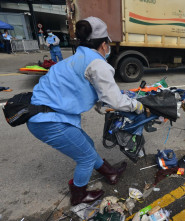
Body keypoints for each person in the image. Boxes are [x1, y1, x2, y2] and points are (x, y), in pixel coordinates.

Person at [27, 17, 144, 206]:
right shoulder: (98, 64)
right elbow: (114, 99)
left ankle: (110, 173)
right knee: (86, 157)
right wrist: (136, 106)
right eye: (109, 44)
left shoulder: (77, 58)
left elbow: (83, 89)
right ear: (104, 44)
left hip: (47, 114)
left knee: (87, 144)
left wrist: (102, 105)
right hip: (49, 119)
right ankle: (78, 195)